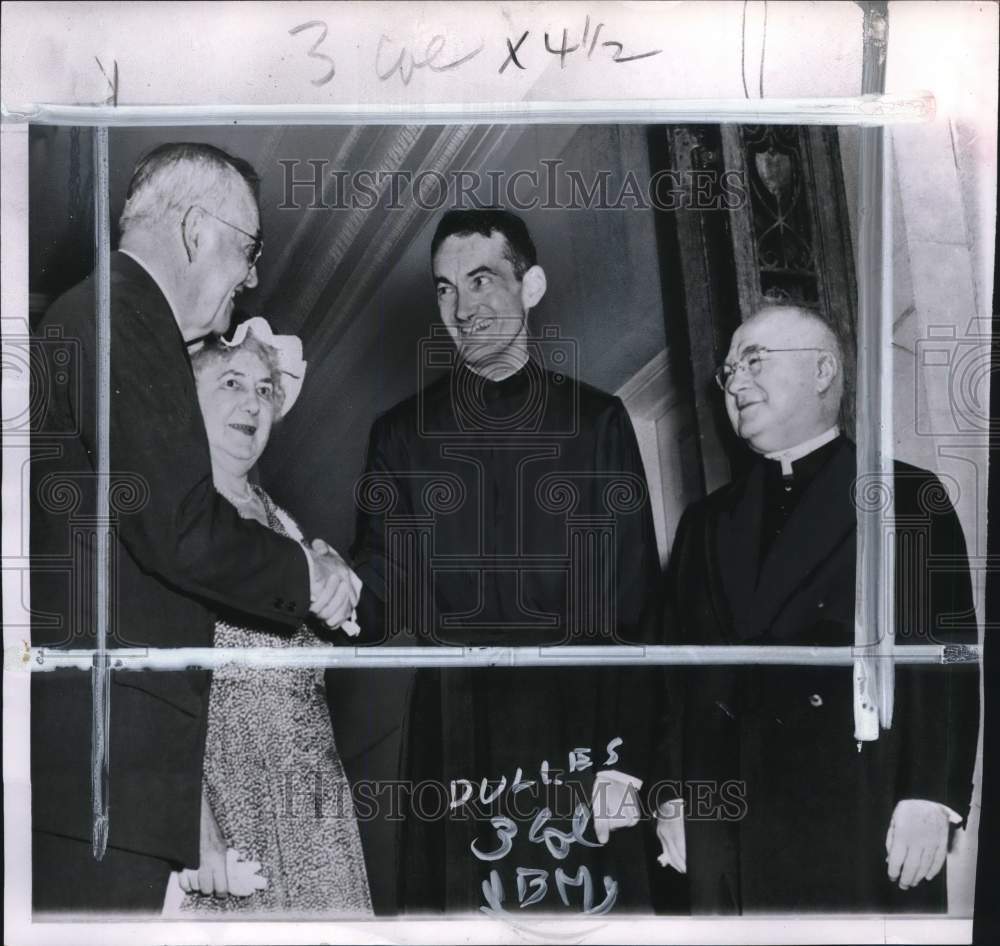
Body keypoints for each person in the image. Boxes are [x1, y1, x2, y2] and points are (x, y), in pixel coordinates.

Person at [30, 143, 359, 913]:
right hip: (112, 783)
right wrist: (303, 576)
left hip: (125, 781)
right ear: (191, 231)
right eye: (246, 250)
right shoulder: (120, 313)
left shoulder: (113, 318)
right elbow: (175, 527)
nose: (249, 278)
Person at [350, 208, 663, 914]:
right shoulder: (399, 434)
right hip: (456, 732)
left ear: (533, 285)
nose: (460, 308)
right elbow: (375, 601)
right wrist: (311, 577)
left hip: (580, 727)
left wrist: (626, 764)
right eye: (443, 288)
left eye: (482, 280)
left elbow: (632, 601)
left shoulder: (597, 419)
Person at [660, 303, 980, 912]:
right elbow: (680, 680)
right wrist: (673, 799)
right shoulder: (702, 524)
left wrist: (929, 796)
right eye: (728, 372)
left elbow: (948, 657)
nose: (735, 383)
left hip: (863, 810)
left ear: (823, 371)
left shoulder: (907, 497)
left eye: (754, 361)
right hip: (726, 826)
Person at [169, 318, 372, 915]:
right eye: (231, 382)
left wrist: (339, 586)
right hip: (226, 804)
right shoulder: (175, 524)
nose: (253, 403)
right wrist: (193, 827)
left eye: (265, 389)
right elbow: (152, 693)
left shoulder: (289, 525)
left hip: (313, 799)